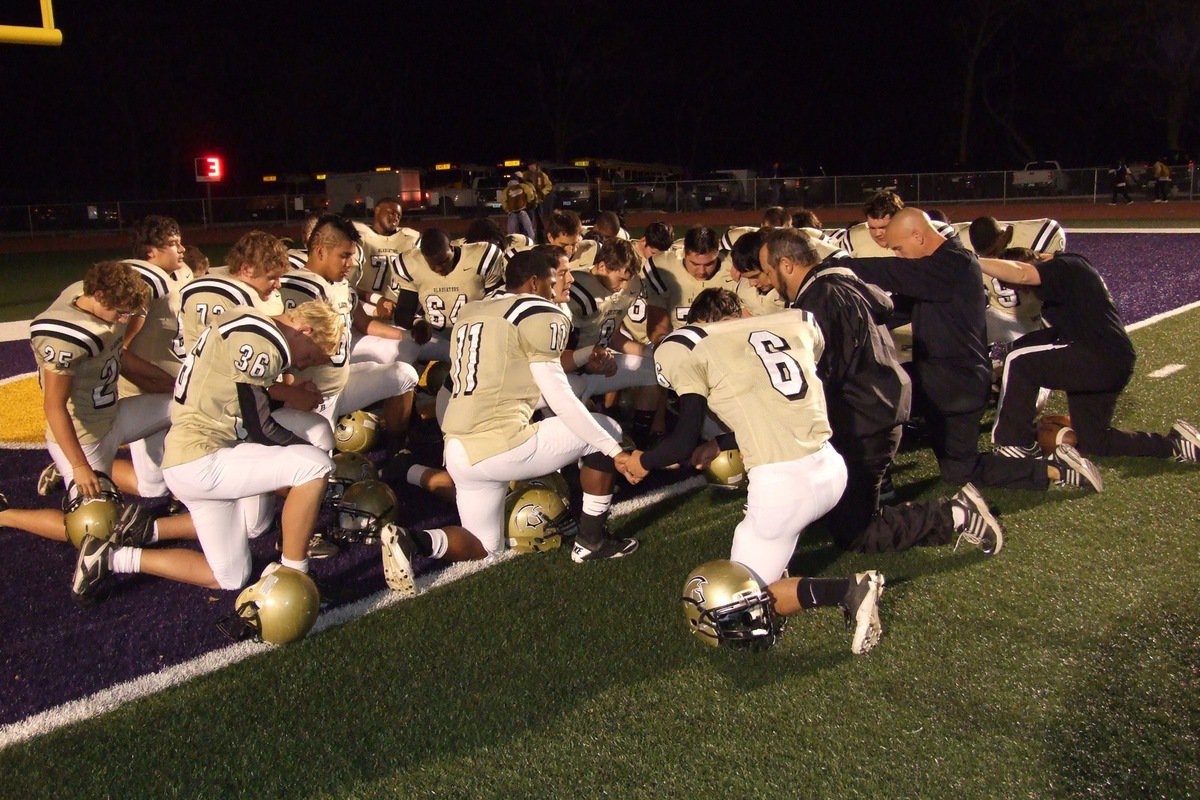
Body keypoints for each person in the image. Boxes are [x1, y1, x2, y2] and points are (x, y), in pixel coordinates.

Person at [623, 288, 887, 654]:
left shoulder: (695, 343)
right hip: (830, 466)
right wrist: (721, 443)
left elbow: (682, 443)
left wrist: (642, 461)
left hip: (784, 484)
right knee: (770, 550)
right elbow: (774, 398)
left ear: (701, 323)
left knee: (738, 600)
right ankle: (783, 571)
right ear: (743, 311)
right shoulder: (795, 324)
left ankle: (849, 591)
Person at [379, 249, 640, 596]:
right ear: (535, 282)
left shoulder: (475, 309)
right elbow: (559, 396)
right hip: (503, 441)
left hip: (458, 444)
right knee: (605, 429)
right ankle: (591, 541)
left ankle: (415, 542)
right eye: (561, 273)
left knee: (485, 546)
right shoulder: (544, 313)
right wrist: (614, 450)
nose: (570, 279)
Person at [741, 228, 1004, 554]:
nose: (766, 281)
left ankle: (955, 515)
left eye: (767, 271)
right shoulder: (834, 285)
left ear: (786, 265)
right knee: (832, 506)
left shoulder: (823, 299)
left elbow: (824, 375)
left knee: (855, 532)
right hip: (876, 408)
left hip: (865, 419)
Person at [71, 301, 345, 603]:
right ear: (305, 330)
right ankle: (297, 574)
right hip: (204, 459)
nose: (301, 365)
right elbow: (261, 428)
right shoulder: (264, 343)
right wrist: (313, 465)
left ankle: (113, 558)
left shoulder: (245, 317)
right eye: (309, 356)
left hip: (189, 460)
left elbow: (239, 395)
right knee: (315, 465)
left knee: (230, 576)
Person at [845, 208, 1104, 493]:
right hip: (939, 377)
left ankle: (1058, 470)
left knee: (874, 402)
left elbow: (890, 272)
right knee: (875, 399)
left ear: (918, 236)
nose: (898, 254)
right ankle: (881, 477)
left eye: (898, 247)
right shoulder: (936, 270)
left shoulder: (953, 262)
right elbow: (894, 309)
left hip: (955, 385)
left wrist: (834, 266)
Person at [0, 262, 189, 544]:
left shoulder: (96, 301)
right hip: (84, 438)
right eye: (120, 312)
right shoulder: (65, 335)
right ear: (98, 296)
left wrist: (175, 386)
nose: (124, 320)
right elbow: (54, 405)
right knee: (94, 530)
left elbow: (120, 358)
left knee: (189, 403)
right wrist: (78, 466)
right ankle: (6, 515)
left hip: (113, 415)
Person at [980, 247, 1200, 465]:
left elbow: (1022, 272)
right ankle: (1174, 444)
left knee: (1019, 360)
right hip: (1109, 360)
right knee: (1095, 440)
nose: (1024, 289)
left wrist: (973, 260)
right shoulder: (1067, 281)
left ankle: (1013, 445)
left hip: (1097, 355)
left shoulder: (1065, 265)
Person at [280, 215, 418, 458]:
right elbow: (283, 350)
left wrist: (407, 336)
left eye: (352, 255)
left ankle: (395, 454)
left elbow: (363, 323)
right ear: (320, 251)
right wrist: (292, 391)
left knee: (404, 374)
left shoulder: (340, 285)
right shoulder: (299, 287)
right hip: (313, 392)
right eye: (344, 256)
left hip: (341, 381)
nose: (351, 263)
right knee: (317, 466)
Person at [390, 227, 505, 363]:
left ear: (452, 247)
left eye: (444, 261)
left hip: (476, 335)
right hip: (435, 336)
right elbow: (403, 312)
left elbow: (499, 304)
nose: (439, 268)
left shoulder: (481, 257)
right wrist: (418, 323)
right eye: (432, 265)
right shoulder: (411, 264)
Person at [960, 216, 1065, 349]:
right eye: (984, 254)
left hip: (1031, 318)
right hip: (994, 311)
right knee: (960, 339)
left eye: (992, 251)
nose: (991, 257)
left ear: (1003, 236)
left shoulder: (1035, 235)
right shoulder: (962, 238)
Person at [352, 197, 421, 318]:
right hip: (366, 305)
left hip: (399, 307)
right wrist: (375, 299)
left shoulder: (410, 238)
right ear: (377, 210)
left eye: (399, 215)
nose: (395, 217)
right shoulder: (359, 236)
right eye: (391, 213)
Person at [524, 160, 554, 241]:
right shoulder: (525, 175)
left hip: (539, 201)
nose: (531, 167)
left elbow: (548, 185)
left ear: (536, 165)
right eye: (529, 166)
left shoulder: (542, 175)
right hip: (529, 202)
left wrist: (542, 193)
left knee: (540, 220)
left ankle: (541, 238)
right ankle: (532, 238)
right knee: (530, 220)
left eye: (532, 165)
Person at [502, 175, 536, 240]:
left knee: (511, 232)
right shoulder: (523, 186)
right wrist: (528, 203)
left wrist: (507, 210)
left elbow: (503, 201)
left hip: (512, 212)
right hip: (523, 210)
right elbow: (530, 194)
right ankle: (532, 242)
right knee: (529, 229)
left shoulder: (506, 190)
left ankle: (511, 244)